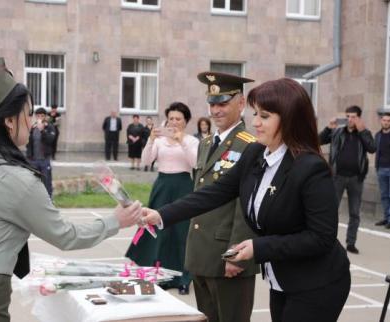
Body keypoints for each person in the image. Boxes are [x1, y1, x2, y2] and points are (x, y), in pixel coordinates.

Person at [0, 57, 142, 322]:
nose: (34, 121)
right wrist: (115, 220)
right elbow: (65, 235)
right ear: (10, 121)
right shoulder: (15, 178)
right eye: (28, 113)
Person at [142, 78, 351, 322]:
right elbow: (216, 192)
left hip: (317, 282)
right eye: (255, 114)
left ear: (289, 118)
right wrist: (162, 215)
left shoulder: (310, 167)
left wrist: (257, 247)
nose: (255, 123)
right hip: (281, 279)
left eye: (264, 116)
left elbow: (321, 238)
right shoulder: (255, 153)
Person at [184, 72, 259, 322]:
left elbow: (247, 206)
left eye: (223, 103)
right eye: (212, 103)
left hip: (228, 258)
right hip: (202, 253)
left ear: (241, 102)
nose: (215, 110)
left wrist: (236, 255)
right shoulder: (206, 144)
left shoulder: (250, 146)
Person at [126, 102, 199, 295]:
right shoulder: (159, 141)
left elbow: (196, 162)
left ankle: (184, 278)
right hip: (162, 186)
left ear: (186, 121)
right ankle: (160, 276)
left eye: (178, 119)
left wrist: (181, 140)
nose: (174, 122)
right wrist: (150, 140)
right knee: (159, 233)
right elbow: (145, 161)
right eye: (171, 118)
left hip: (183, 186)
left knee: (181, 233)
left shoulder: (192, 141)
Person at [319, 105, 376, 254]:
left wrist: (362, 130)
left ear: (359, 118)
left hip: (356, 179)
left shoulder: (364, 133)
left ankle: (351, 243)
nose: (350, 120)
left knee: (354, 213)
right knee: (331, 210)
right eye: (348, 116)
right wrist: (328, 128)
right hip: (337, 178)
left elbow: (372, 148)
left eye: (353, 117)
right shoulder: (337, 132)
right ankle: (328, 240)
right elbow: (318, 140)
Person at [374, 113, 390, 229]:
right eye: (384, 120)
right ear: (381, 121)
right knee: (384, 195)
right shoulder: (377, 135)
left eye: (388, 120)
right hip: (381, 169)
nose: (386, 122)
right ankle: (386, 217)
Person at [26, 107, 56, 197]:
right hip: (33, 160)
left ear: (45, 117)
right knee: (33, 182)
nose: (39, 118)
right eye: (38, 116)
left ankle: (49, 200)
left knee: (46, 182)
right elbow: (28, 143)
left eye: (42, 116)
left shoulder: (50, 127)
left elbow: (51, 140)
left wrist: (42, 130)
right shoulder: (33, 128)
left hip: (44, 160)